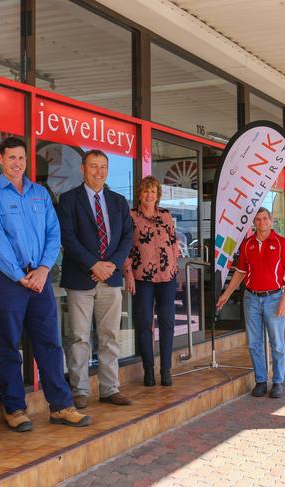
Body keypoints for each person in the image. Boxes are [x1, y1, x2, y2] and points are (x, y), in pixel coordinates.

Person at [0, 137, 90, 432]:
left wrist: (42, 269)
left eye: (22, 158)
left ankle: (61, 406)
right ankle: (15, 409)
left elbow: (54, 234)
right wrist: (19, 275)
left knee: (50, 343)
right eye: (12, 157)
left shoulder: (40, 194)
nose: (17, 163)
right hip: (7, 280)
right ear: (1, 159)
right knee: (8, 346)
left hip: (39, 279)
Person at [57, 150, 134, 409]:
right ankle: (79, 390)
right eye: (93, 166)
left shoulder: (119, 201)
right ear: (82, 169)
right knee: (79, 337)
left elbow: (127, 237)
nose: (98, 172)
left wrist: (110, 265)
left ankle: (110, 388)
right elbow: (67, 238)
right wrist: (93, 264)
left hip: (111, 279)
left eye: (103, 167)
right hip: (80, 278)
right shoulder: (68, 200)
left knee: (110, 335)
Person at [216, 207, 285, 399]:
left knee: (277, 343)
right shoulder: (247, 244)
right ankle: (261, 380)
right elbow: (240, 272)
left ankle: (278, 381)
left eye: (265, 219)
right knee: (254, 343)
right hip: (251, 298)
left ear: (271, 221)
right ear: (254, 222)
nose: (261, 222)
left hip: (274, 298)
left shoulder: (281, 244)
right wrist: (226, 294)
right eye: (258, 220)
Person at [124, 176, 180, 387]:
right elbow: (126, 248)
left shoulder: (165, 216)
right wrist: (128, 273)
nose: (149, 196)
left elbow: (174, 242)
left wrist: (175, 266)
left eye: (153, 192)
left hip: (167, 277)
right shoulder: (130, 216)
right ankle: (149, 370)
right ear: (140, 193)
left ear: (158, 195)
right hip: (142, 277)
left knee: (167, 322)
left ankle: (166, 370)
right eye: (146, 191)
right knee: (144, 322)